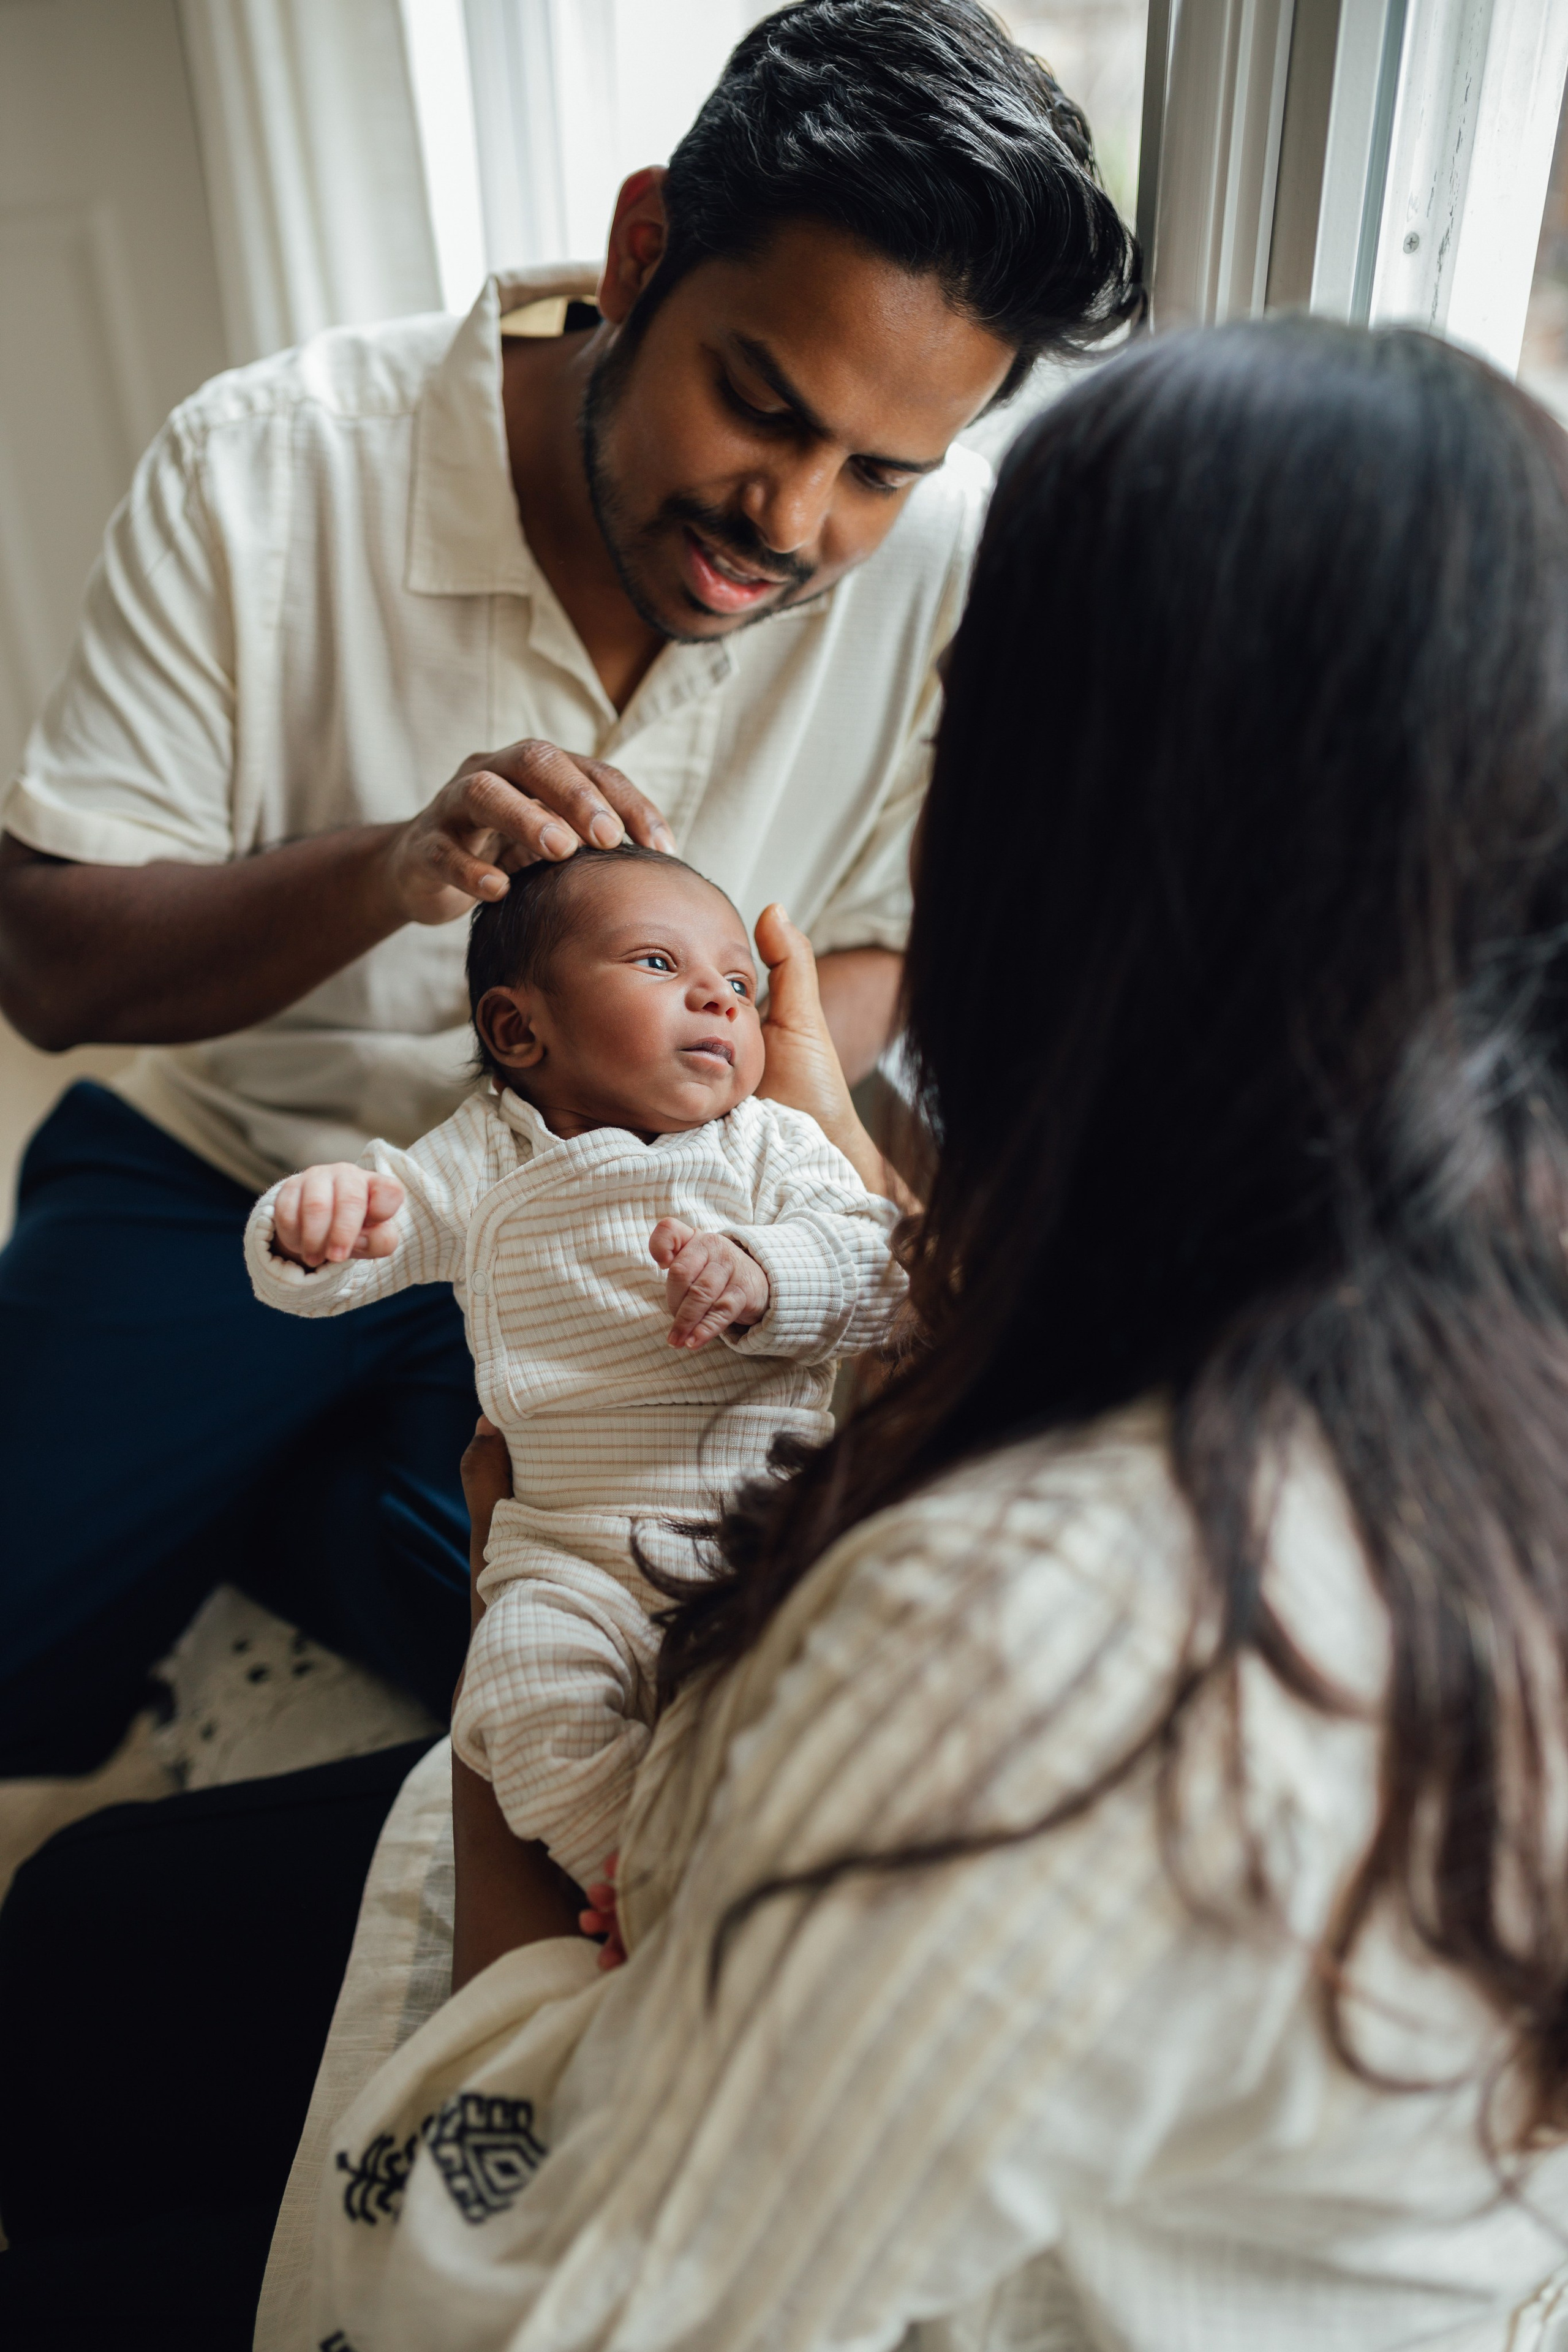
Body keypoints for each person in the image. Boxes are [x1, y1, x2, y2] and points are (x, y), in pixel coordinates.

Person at [292, 316, 1568, 2347]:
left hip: (629, 1936)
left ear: (1084, 852)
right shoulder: (1441, 1310)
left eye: (966, 731)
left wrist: (498, 1609)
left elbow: (546, 2305)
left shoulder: (1048, 1649)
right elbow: (408, 1226)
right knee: (98, 1964)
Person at [0, 0, 1140, 1777]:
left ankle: (290, 1497)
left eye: (880, 474)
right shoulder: (266, 465)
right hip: (241, 1170)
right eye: (761, 406)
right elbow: (48, 962)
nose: (792, 520)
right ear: (640, 250)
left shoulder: (953, 570)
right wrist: (388, 871)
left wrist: (700, 1108)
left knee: (644, 1703)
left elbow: (887, 945)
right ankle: (267, 1459)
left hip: (625, 1233)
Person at [246, 845, 903, 1886]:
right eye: (657, 963)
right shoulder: (487, 1157)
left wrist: (768, 1275)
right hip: (567, 1555)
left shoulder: (770, 1145)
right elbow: (373, 1243)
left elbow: (877, 1268)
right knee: (519, 1698)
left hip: (771, 1523)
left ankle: (766, 1854)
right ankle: (628, 1868)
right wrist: (312, 1230)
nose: (719, 999)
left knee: (835, 1686)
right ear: (518, 1029)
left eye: (740, 981)